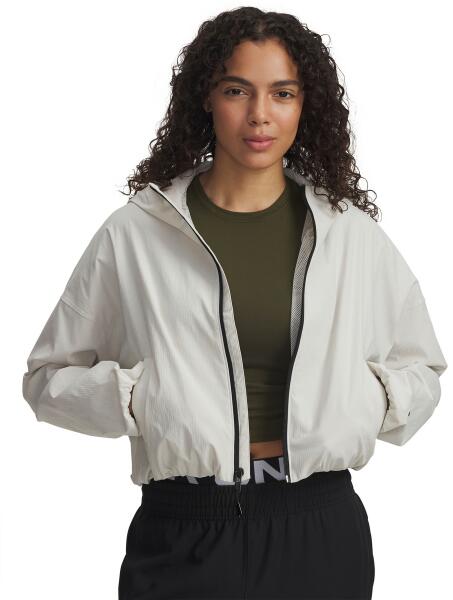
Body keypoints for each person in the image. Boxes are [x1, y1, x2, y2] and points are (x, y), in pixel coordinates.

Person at [22, 7, 448, 600]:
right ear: (206, 98)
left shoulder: (347, 234)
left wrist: (363, 402)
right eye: (236, 90)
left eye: (282, 93)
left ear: (305, 106)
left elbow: (421, 366)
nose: (259, 115)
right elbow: (47, 378)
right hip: (183, 526)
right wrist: (140, 400)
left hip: (319, 526)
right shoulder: (138, 232)